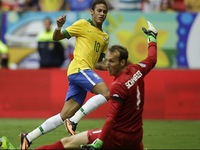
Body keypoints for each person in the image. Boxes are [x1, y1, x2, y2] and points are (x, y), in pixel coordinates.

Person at [34, 20, 158, 150]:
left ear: (122, 63)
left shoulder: (118, 85)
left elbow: (111, 118)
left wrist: (99, 142)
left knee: (67, 143)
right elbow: (152, 58)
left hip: (117, 136)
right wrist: (152, 38)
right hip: (136, 137)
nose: (107, 65)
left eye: (112, 61)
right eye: (107, 61)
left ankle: (73, 120)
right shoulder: (138, 69)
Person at [20, 0, 109, 149]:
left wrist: (113, 67)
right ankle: (73, 122)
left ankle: (28, 138)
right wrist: (59, 26)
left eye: (104, 12)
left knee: (64, 115)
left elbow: (98, 63)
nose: (102, 14)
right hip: (79, 69)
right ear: (92, 12)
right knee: (106, 93)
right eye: (99, 10)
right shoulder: (82, 24)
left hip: (84, 71)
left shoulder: (105, 37)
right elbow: (56, 38)